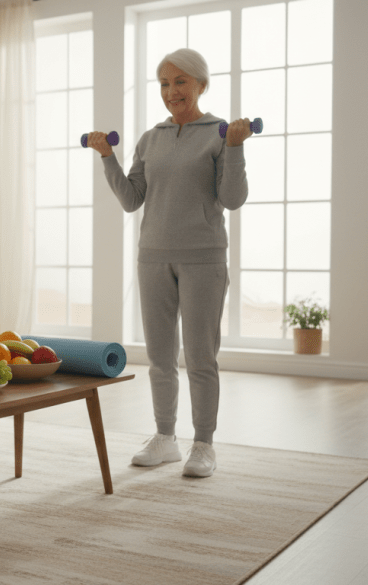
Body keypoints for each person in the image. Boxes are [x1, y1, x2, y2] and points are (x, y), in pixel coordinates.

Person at [85, 48, 252, 478]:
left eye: (180, 81)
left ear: (200, 83)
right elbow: (131, 200)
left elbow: (232, 200)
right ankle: (165, 438)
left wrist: (234, 149)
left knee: (200, 357)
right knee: (160, 357)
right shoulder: (150, 138)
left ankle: (204, 445)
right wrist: (107, 157)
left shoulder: (219, 133)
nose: (171, 91)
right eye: (163, 82)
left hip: (203, 260)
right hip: (153, 258)